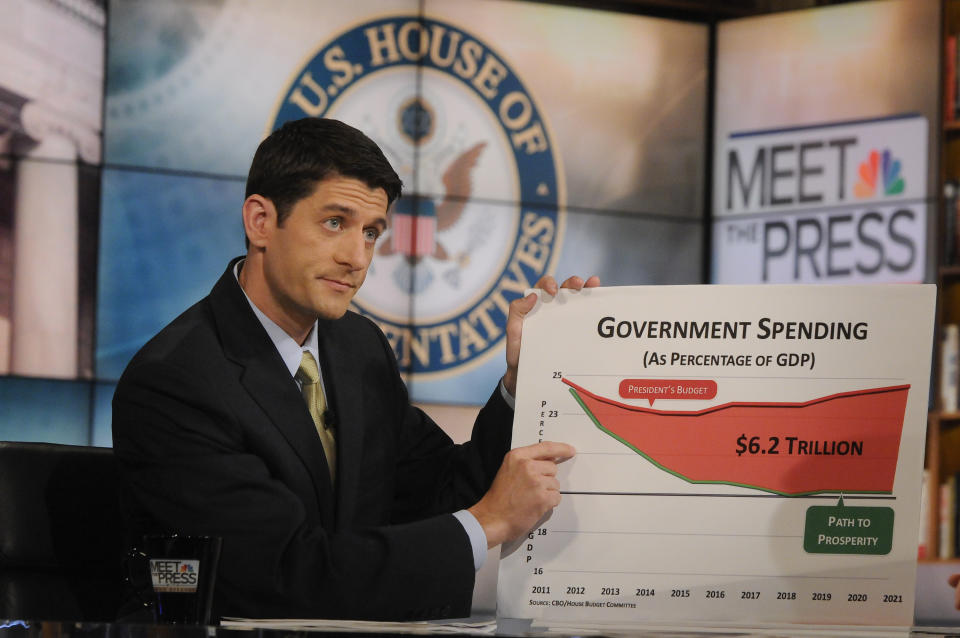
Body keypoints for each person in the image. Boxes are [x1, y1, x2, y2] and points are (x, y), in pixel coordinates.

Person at [112, 117, 598, 621]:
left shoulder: (357, 347)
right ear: (260, 222)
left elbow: (436, 491)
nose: (356, 257)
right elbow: (284, 576)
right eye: (334, 223)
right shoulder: (175, 383)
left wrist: (523, 381)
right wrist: (486, 524)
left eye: (371, 232)